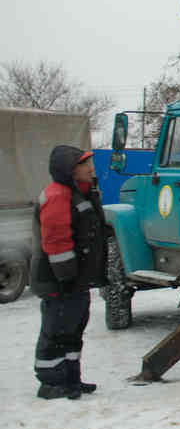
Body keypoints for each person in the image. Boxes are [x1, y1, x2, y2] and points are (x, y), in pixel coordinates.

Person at [30, 146, 107, 400]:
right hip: (58, 280)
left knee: (73, 329)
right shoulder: (57, 196)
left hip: (75, 280)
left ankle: (71, 378)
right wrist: (66, 278)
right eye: (86, 165)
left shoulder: (80, 193)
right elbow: (56, 241)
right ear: (70, 169)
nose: (92, 169)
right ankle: (51, 383)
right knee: (56, 330)